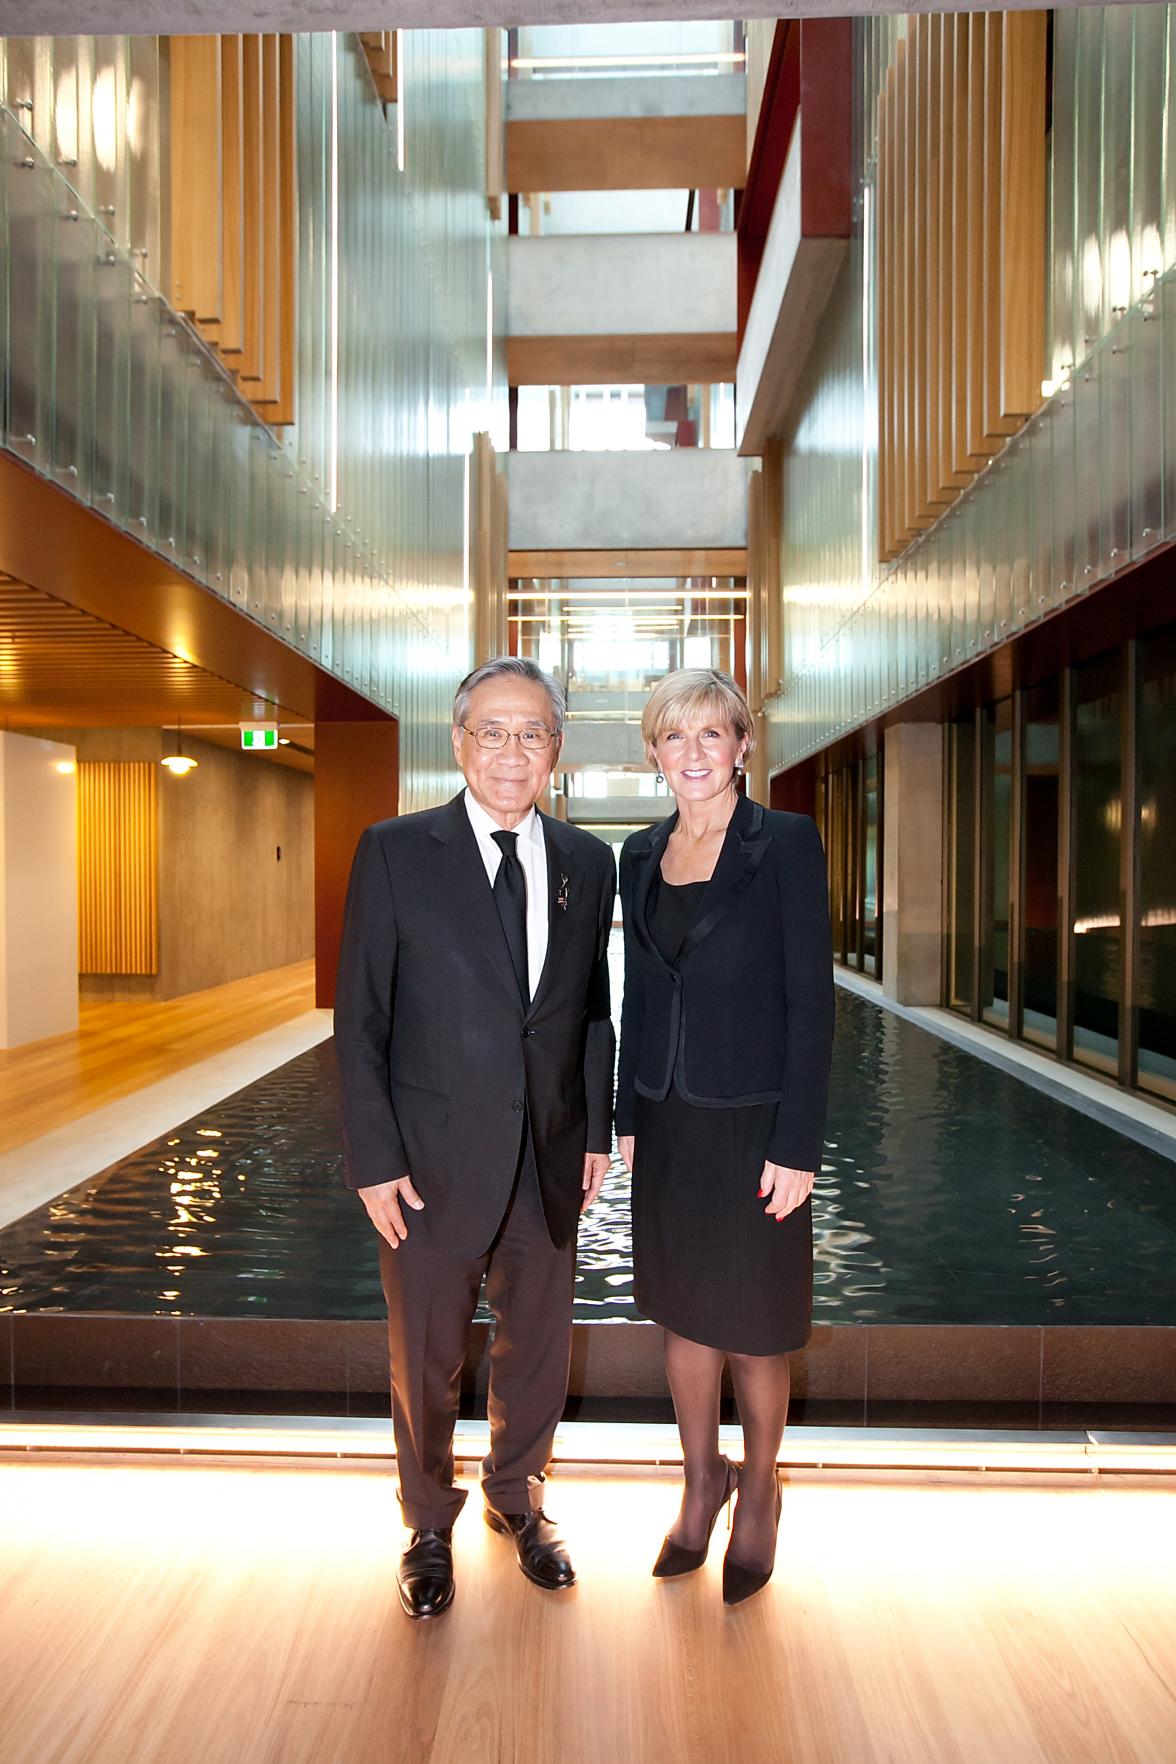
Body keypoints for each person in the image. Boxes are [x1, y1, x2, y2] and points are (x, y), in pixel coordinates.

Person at [334, 656, 616, 1620]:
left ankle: (516, 1496)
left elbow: (590, 1016)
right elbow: (360, 1021)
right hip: (428, 1162)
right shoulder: (394, 851)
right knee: (425, 1351)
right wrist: (375, 1157)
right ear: (458, 742)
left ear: (556, 751)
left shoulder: (588, 862)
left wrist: (596, 1130)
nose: (510, 750)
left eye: (530, 732)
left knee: (537, 1345)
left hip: (548, 1156)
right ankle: (424, 1521)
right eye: (490, 731)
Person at [616, 667, 834, 1607]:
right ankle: (701, 1479)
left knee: (754, 1322)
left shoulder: (783, 842)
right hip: (668, 1118)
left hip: (754, 1122)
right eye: (675, 736)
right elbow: (637, 991)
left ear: (744, 745)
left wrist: (799, 1144)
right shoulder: (638, 851)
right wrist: (626, 1110)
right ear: (654, 752)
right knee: (683, 1311)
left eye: (712, 734)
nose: (694, 753)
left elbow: (812, 1004)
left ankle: (760, 1492)